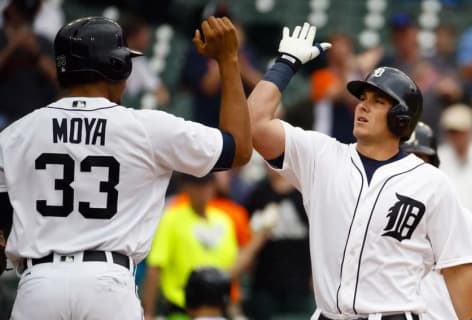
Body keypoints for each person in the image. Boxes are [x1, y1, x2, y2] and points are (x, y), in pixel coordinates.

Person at [0, 15, 252, 320]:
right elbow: (238, 149)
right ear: (117, 67)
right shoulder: (146, 127)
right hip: (107, 284)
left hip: (38, 284)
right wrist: (227, 59)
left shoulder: (16, 134)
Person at [247, 21, 472, 319]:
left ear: (400, 119)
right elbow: (253, 125)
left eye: (378, 101)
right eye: (363, 99)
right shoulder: (321, 157)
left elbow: (459, 272)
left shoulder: (432, 183)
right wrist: (285, 64)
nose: (363, 106)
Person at [401, 122, 472, 320]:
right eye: (405, 158)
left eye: (419, 158)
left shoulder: (461, 217)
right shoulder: (376, 215)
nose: (412, 166)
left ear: (433, 165)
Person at [142, 174, 239, 320]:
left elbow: (233, 266)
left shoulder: (224, 220)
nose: (202, 190)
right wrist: (148, 312)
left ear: (213, 186)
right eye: (197, 185)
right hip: (182, 308)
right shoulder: (171, 218)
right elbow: (155, 267)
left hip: (218, 308)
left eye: (207, 185)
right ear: (186, 188)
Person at [244, 166, 314, 320]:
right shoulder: (258, 194)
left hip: (300, 283)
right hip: (264, 283)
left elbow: (318, 238)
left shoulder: (304, 192)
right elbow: (245, 238)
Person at [0, 0, 58, 129]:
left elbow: (59, 79)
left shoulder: (43, 42)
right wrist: (12, 47)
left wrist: (36, 54)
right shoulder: (1, 39)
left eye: (27, 14)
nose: (23, 18)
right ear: (10, 10)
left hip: (37, 118)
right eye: (20, 13)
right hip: (4, 117)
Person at [437, 103, 472, 219]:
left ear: (470, 131)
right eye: (452, 132)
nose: (456, 137)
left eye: (460, 131)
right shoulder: (439, 158)